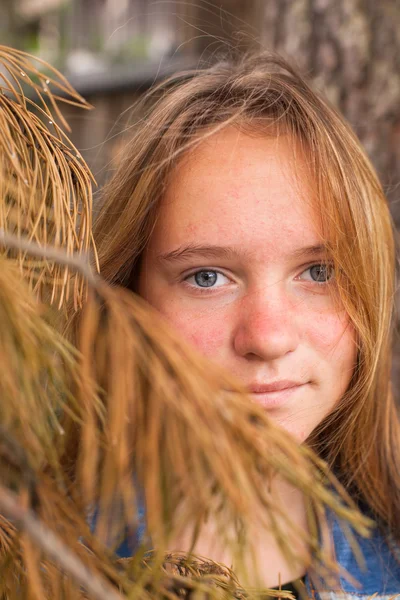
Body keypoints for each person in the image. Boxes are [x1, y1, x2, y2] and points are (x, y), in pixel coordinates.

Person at [93, 52, 400, 597]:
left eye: (318, 271)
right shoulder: (40, 552)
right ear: (126, 296)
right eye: (207, 277)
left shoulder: (391, 546)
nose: (267, 337)